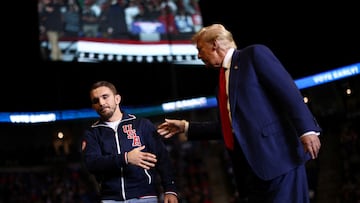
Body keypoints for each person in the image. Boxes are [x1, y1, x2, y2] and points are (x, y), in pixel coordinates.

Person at [157, 24, 322, 203]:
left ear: (214, 44)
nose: (198, 55)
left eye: (199, 49)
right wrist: (185, 127)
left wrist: (307, 130)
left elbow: (287, 91)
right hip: (251, 172)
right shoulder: (220, 84)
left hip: (279, 160)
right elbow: (228, 128)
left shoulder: (253, 56)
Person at [81, 80, 178, 203]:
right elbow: (92, 164)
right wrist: (126, 158)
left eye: (105, 97)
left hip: (145, 197)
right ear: (93, 106)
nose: (101, 103)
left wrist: (170, 189)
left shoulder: (142, 125)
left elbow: (163, 158)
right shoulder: (92, 133)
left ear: (117, 99)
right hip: (110, 199)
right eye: (96, 101)